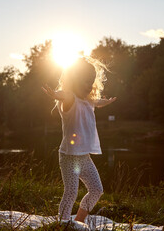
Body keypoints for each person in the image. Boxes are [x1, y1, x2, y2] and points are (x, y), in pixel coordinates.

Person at [42, 57, 116, 223]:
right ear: (74, 80)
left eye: (91, 83)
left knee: (97, 190)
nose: (89, 86)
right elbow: (64, 95)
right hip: (69, 156)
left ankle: (79, 221)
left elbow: (97, 102)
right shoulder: (71, 99)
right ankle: (62, 223)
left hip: (84, 157)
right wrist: (55, 94)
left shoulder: (88, 101)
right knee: (71, 192)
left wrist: (107, 102)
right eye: (85, 82)